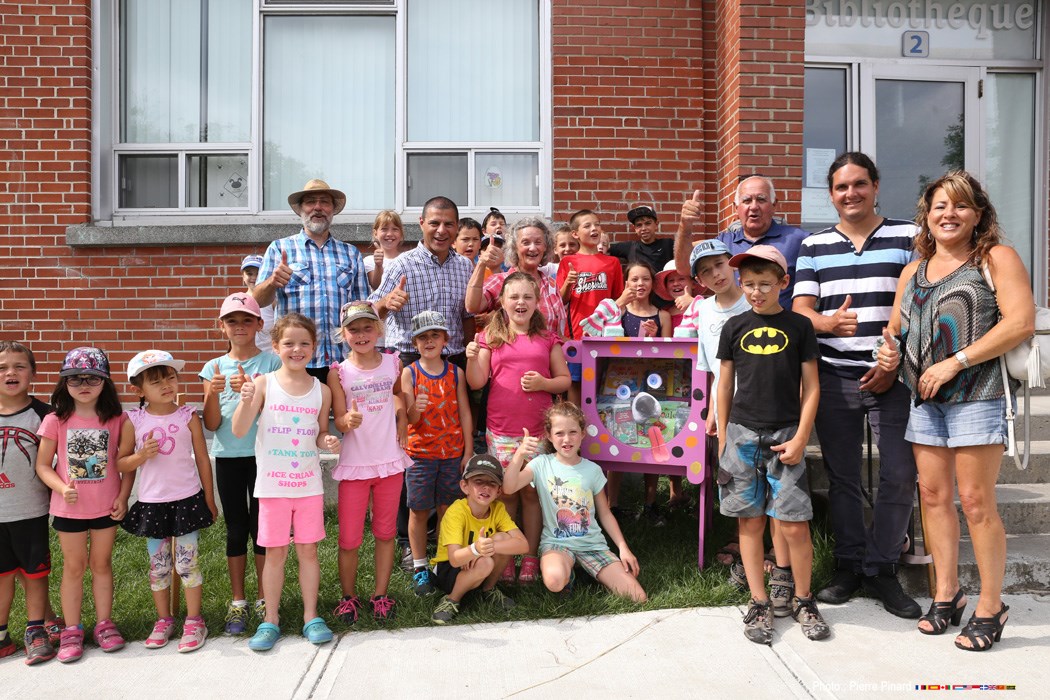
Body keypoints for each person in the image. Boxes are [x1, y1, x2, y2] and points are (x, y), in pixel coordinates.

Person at [877, 171, 1034, 651]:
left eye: (961, 206)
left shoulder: (994, 259)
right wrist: (888, 354)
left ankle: (991, 605)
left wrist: (955, 362)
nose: (949, 214)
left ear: (979, 214)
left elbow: (1022, 322)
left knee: (977, 502)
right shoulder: (914, 269)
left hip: (978, 394)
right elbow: (896, 331)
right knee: (933, 496)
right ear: (926, 214)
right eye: (940, 205)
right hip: (926, 400)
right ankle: (947, 594)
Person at [792, 152, 921, 618]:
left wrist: (894, 360)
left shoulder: (909, 236)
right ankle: (849, 565)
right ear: (831, 194)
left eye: (860, 184)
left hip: (895, 376)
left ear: (876, 185)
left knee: (900, 474)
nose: (851, 193)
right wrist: (826, 323)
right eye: (842, 187)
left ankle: (883, 568)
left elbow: (919, 304)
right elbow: (802, 310)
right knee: (843, 477)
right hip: (834, 374)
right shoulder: (814, 244)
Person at [716, 246, 829, 644]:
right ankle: (759, 602)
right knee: (749, 521)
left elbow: (812, 387)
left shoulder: (800, 327)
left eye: (765, 284)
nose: (756, 292)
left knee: (794, 524)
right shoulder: (733, 328)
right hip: (743, 437)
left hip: (785, 436)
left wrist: (801, 437)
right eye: (748, 285)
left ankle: (802, 598)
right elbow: (724, 384)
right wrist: (725, 437)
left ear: (783, 283)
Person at [232, 314, 341, 651]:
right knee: (275, 553)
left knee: (309, 552)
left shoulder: (321, 390)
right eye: (289, 343)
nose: (297, 349)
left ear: (314, 348)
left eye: (304, 343)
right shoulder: (264, 383)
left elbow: (322, 432)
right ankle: (271, 619)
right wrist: (247, 398)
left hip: (308, 486)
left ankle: (311, 616)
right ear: (276, 346)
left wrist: (328, 442)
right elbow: (239, 429)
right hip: (273, 488)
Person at [466, 272, 571, 584]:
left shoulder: (547, 339)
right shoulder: (490, 338)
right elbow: (476, 382)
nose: (521, 302)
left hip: (538, 433)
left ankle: (530, 555)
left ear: (537, 302)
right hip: (501, 431)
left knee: (531, 494)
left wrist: (543, 383)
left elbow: (564, 380)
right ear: (503, 301)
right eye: (514, 297)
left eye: (527, 296)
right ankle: (508, 554)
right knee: (506, 494)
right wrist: (472, 358)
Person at [34, 347, 134, 663]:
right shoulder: (55, 420)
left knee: (101, 565)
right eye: (75, 379)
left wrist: (122, 497)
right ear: (64, 383)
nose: (84, 384)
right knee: (74, 567)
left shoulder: (119, 419)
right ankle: (72, 630)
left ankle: (105, 624)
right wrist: (62, 488)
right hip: (69, 510)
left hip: (106, 507)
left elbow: (126, 464)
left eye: (92, 378)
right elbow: (43, 466)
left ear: (105, 381)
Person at [117, 350, 217, 653]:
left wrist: (209, 499)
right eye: (156, 381)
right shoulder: (133, 420)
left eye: (170, 378)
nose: (166, 385)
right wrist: (140, 456)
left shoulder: (188, 416)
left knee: (188, 564)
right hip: (152, 503)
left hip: (187, 499)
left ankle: (194, 620)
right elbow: (122, 464)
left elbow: (202, 459)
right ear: (139, 390)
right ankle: (163, 620)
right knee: (158, 567)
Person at [503, 402, 646, 603]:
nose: (567, 439)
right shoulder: (541, 464)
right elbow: (509, 487)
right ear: (549, 435)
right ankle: (568, 574)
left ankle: (590, 569)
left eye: (573, 432)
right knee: (554, 581)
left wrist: (623, 547)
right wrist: (519, 455)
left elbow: (605, 513)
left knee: (637, 597)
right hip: (556, 544)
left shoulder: (593, 470)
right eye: (560, 433)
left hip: (592, 545)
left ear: (582, 433)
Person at [327, 302, 412, 626]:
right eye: (353, 329)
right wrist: (348, 419)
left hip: (389, 463)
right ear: (343, 333)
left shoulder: (393, 362)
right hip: (355, 466)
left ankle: (380, 594)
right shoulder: (340, 372)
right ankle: (348, 597)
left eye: (367, 327)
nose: (361, 334)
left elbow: (398, 397)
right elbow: (340, 419)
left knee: (386, 533)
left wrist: (402, 417)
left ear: (378, 329)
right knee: (349, 538)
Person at [200, 293, 281, 634]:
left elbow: (276, 415)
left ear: (259, 324)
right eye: (232, 321)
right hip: (229, 456)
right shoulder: (212, 367)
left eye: (247, 320)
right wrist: (213, 393)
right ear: (222, 327)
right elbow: (212, 423)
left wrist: (251, 392)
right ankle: (238, 601)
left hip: (263, 455)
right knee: (235, 528)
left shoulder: (272, 364)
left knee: (261, 528)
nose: (239, 327)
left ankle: (264, 598)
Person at [253, 179, 370, 379]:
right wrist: (273, 281)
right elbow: (258, 301)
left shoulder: (351, 253)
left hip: (341, 359)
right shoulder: (279, 248)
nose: (317, 207)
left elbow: (362, 308)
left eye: (324, 202)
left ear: (333, 209)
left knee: (343, 412)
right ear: (300, 209)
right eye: (310, 202)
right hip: (295, 359)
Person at [401, 311, 472, 597]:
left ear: (446, 339)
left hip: (452, 453)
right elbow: (410, 420)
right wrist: (415, 406)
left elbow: (465, 412)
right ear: (415, 342)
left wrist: (468, 450)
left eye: (434, 335)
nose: (429, 341)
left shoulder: (456, 372)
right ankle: (420, 568)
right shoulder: (410, 373)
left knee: (447, 509)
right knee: (418, 510)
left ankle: (443, 561)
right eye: (422, 337)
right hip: (419, 454)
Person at [599, 259, 672, 525]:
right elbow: (598, 339)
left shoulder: (662, 316)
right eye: (634, 280)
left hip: (654, 391)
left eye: (645, 279)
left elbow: (671, 358)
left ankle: (650, 504)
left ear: (653, 284)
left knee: (654, 443)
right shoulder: (617, 312)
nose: (640, 284)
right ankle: (612, 506)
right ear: (626, 283)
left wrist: (655, 339)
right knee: (617, 445)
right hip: (618, 389)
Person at [0, 342, 59, 665]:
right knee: (2, 576)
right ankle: (1, 636)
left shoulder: (45, 415)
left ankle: (36, 630)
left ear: (33, 373)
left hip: (30, 511)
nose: (11, 372)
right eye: (3, 367)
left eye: (19, 366)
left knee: (35, 573)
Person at [370, 196, 475, 370]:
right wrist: (386, 302)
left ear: (457, 226)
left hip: (453, 362)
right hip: (409, 361)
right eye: (434, 223)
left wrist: (468, 358)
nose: (441, 231)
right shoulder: (401, 265)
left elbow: (467, 317)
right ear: (422, 223)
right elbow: (371, 312)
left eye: (448, 224)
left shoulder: (464, 266)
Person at [676, 178, 809, 308]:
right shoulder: (723, 243)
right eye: (746, 200)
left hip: (783, 327)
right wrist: (685, 225)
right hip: (736, 327)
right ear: (736, 208)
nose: (754, 206)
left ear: (774, 204)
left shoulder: (798, 239)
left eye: (761, 199)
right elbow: (684, 267)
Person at [429, 455, 528, 624]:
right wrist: (474, 550)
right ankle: (451, 599)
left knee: (503, 539)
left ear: (498, 491)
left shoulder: (498, 508)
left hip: (476, 561)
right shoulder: (456, 512)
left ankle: (488, 589)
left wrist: (490, 547)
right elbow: (454, 559)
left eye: (492, 483)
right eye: (478, 481)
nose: (485, 487)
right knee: (486, 562)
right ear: (464, 486)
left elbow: (523, 545)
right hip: (447, 569)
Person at [556, 209, 625, 405]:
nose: (594, 228)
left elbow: (618, 301)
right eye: (587, 225)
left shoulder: (612, 263)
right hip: (576, 336)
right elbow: (560, 302)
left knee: (602, 385)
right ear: (575, 234)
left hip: (606, 336)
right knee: (575, 384)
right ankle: (577, 429)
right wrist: (568, 283)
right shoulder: (568, 262)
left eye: (597, 224)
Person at [465, 216, 566, 336]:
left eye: (538, 242)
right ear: (514, 247)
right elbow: (472, 306)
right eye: (526, 242)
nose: (533, 248)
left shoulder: (551, 285)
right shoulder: (502, 281)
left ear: (546, 246)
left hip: (550, 353)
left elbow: (559, 334)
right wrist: (481, 263)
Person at [609, 204, 675, 273]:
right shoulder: (630, 247)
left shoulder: (668, 244)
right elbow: (604, 248)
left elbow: (685, 251)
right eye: (639, 225)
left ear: (656, 224)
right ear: (635, 228)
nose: (643, 228)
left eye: (648, 223)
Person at [239, 254, 275, 353]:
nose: (254, 277)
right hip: (247, 358)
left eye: (259, 273)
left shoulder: (273, 300)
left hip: (270, 359)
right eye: (249, 274)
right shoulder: (239, 300)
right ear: (243, 276)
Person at [364, 210, 405, 291]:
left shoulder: (407, 259)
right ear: (375, 233)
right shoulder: (369, 261)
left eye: (395, 229)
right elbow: (376, 287)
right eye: (384, 229)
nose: (389, 234)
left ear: (401, 234)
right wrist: (378, 265)